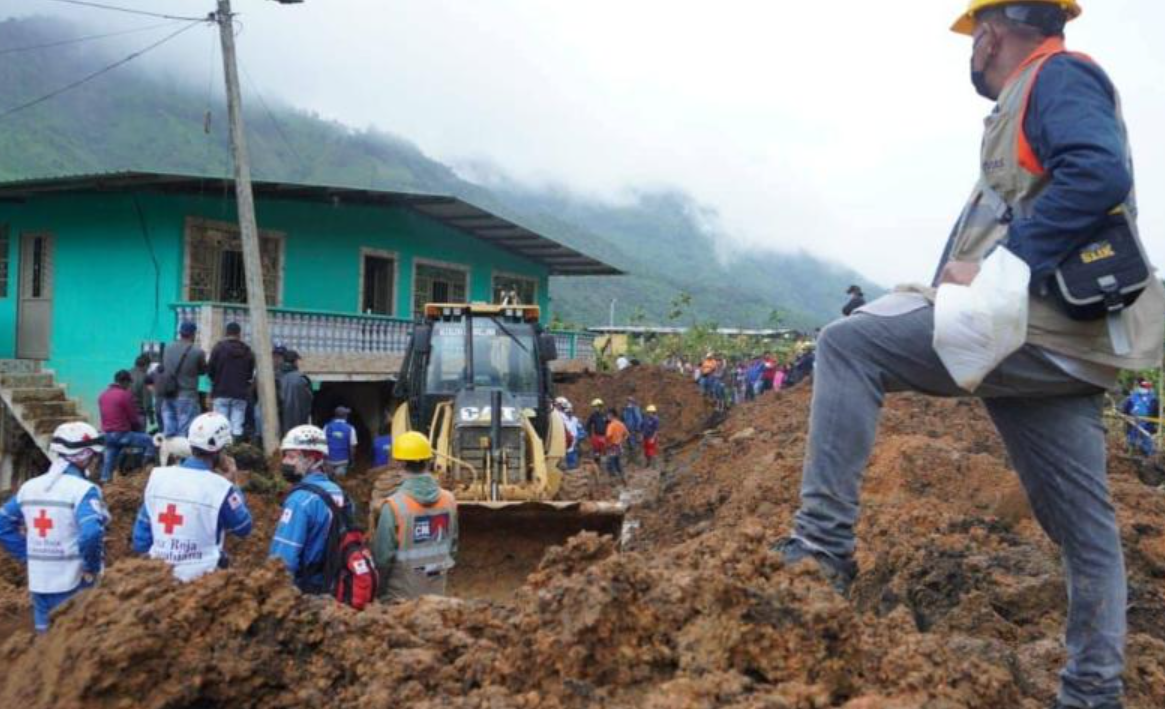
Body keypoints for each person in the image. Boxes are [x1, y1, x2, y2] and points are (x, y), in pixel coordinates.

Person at [774, 4, 1165, 709]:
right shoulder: (1033, 98)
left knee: (847, 343)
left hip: (1035, 331)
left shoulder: (1056, 79)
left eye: (974, 36)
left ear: (990, 31)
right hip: (1062, 347)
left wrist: (1000, 266)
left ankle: (818, 551)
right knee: (1086, 530)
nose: (973, 50)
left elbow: (1098, 173)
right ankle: (1092, 692)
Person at [0, 422, 110, 632]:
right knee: (73, 646)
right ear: (86, 456)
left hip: (39, 581)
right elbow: (92, 533)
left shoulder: (30, 487)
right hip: (74, 582)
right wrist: (91, 567)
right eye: (95, 456)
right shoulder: (83, 490)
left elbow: (2, 523)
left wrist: (28, 554)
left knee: (47, 645)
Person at [132, 412, 252, 581]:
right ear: (220, 450)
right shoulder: (221, 488)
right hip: (202, 581)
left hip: (159, 577)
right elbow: (243, 527)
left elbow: (141, 537)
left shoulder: (158, 477)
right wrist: (233, 484)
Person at [373, 431, 458, 600]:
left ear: (399, 464)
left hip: (400, 600)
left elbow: (382, 560)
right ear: (428, 461)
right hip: (436, 596)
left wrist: (378, 592)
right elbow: (452, 549)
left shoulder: (394, 506)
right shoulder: (449, 500)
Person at [269, 425, 354, 593]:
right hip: (337, 586)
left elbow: (283, 559)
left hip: (309, 589)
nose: (285, 462)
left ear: (311, 460)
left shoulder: (299, 501)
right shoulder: (341, 494)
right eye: (285, 456)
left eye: (292, 457)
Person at [97, 369, 158, 484]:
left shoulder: (103, 395)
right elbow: (133, 418)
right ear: (124, 382)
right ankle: (143, 470)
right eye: (129, 383)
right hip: (122, 434)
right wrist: (138, 428)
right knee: (148, 440)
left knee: (110, 455)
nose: (130, 385)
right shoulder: (125, 395)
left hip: (107, 435)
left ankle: (105, 479)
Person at [159, 321, 207, 439]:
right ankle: (180, 456)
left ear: (180, 333)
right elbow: (203, 371)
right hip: (187, 395)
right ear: (193, 334)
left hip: (168, 393)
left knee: (169, 430)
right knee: (184, 432)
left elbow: (164, 367)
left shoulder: (167, 348)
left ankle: (169, 454)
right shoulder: (198, 352)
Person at [208, 321, 255, 441]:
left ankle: (222, 451)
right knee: (237, 425)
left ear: (226, 333)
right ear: (239, 334)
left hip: (221, 391)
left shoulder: (218, 348)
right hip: (240, 393)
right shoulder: (247, 351)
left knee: (220, 425)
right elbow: (250, 374)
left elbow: (210, 370)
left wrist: (216, 381)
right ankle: (235, 450)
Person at [278, 350, 313, 436]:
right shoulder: (303, 379)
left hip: (280, 423)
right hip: (299, 423)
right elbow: (310, 399)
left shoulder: (275, 376)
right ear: (295, 361)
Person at [1121, 378, 1159, 457]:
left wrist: (1154, 424)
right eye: (1142, 387)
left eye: (1145, 387)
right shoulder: (1133, 396)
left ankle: (1148, 456)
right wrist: (1126, 417)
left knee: (1147, 440)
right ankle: (1130, 454)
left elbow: (1155, 412)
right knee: (1132, 439)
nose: (1143, 388)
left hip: (1147, 423)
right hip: (1133, 421)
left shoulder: (1153, 398)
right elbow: (1125, 408)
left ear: (1148, 388)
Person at [324, 406, 358, 476]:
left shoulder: (327, 426)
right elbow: (352, 447)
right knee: (339, 481)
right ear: (345, 416)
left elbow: (322, 443)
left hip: (329, 460)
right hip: (343, 460)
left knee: (329, 480)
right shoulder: (350, 428)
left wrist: (324, 459)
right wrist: (352, 460)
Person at [129, 353, 155, 431]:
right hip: (139, 413)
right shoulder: (145, 377)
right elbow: (147, 401)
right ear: (146, 365)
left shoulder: (126, 374)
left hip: (125, 413)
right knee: (139, 439)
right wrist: (151, 417)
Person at [604, 409, 629, 480]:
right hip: (619, 446)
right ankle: (622, 476)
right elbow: (627, 434)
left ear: (611, 415)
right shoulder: (621, 424)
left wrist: (607, 444)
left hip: (612, 446)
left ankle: (613, 479)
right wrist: (622, 441)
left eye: (608, 415)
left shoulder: (611, 425)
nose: (607, 417)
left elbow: (608, 435)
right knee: (617, 462)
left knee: (610, 463)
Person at [622, 397, 644, 465]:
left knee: (634, 444)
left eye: (630, 401)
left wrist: (638, 428)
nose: (629, 403)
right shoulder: (626, 410)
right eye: (628, 401)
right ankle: (630, 459)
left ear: (633, 402)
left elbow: (639, 419)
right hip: (627, 430)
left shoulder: (635, 409)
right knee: (629, 444)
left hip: (634, 429)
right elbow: (624, 420)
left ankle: (636, 460)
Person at [585, 399, 608, 463]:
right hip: (596, 436)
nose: (595, 408)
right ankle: (597, 466)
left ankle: (604, 467)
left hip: (605, 436)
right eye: (594, 407)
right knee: (596, 453)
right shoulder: (593, 415)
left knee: (604, 452)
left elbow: (610, 424)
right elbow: (588, 425)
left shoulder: (605, 415)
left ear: (600, 406)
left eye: (596, 407)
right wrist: (589, 434)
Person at [642, 404, 661, 469]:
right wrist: (641, 435)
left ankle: (654, 465)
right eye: (648, 412)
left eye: (650, 412)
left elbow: (656, 430)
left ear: (653, 412)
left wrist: (653, 438)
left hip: (651, 437)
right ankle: (648, 463)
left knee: (652, 450)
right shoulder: (646, 419)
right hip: (645, 437)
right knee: (646, 451)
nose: (649, 413)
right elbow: (643, 427)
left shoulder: (656, 419)